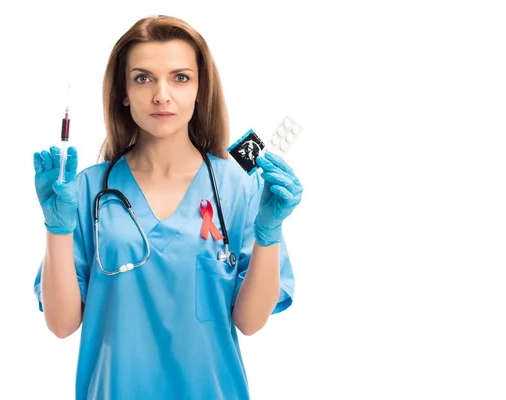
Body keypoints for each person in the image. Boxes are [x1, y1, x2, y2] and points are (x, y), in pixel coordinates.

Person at [32, 15, 303, 400]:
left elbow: (249, 322)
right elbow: (61, 325)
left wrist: (268, 232)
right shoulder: (86, 189)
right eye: (143, 78)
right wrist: (56, 227)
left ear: (199, 89)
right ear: (123, 91)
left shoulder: (238, 186)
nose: (162, 95)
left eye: (180, 77)